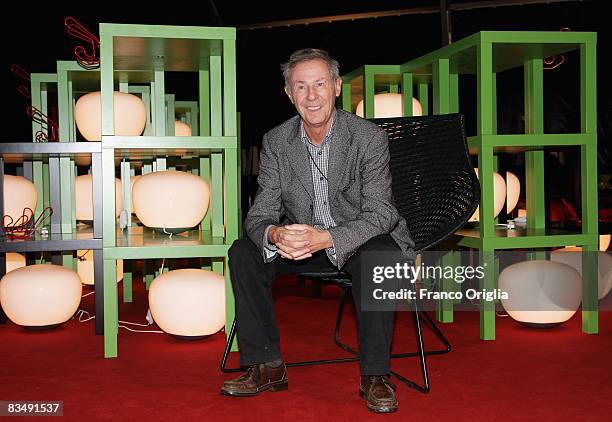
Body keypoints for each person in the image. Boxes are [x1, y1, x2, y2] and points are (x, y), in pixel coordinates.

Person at [220, 48, 414, 414]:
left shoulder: (368, 137)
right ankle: (267, 367)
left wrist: (327, 238)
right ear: (289, 94)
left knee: (381, 256)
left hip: (357, 240)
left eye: (320, 84)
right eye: (301, 87)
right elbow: (260, 212)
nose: (312, 96)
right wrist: (276, 235)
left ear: (337, 87)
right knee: (243, 252)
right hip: (302, 245)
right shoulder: (277, 140)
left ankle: (375, 376)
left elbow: (382, 212)